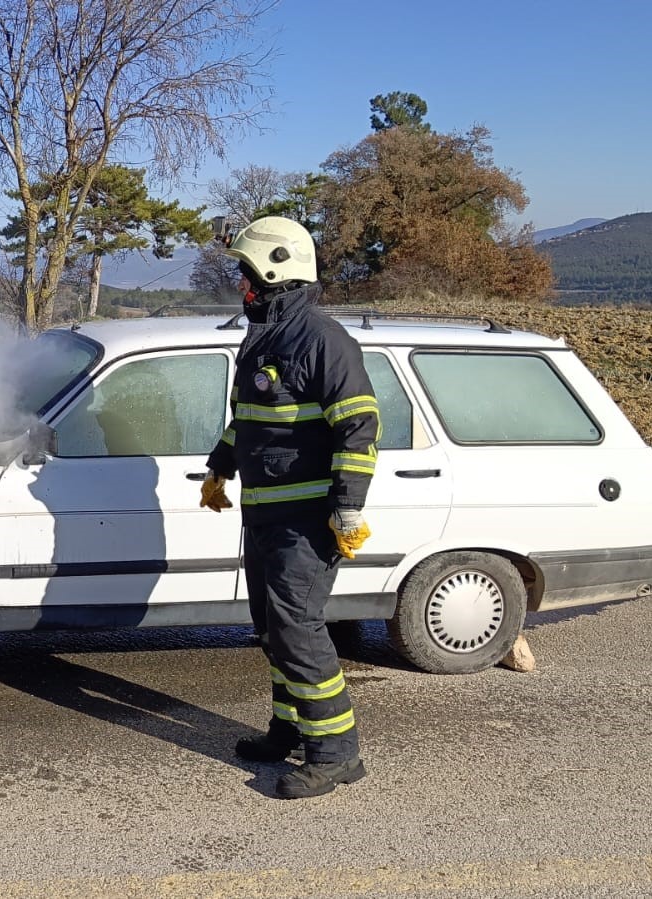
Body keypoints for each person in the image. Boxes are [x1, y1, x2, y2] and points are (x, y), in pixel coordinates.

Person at [199, 215, 379, 799]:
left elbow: (359, 428)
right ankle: (289, 729)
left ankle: (335, 753)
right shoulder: (268, 339)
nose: (242, 287)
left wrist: (347, 509)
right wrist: (219, 466)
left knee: (298, 631)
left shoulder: (323, 341)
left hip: (307, 523)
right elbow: (253, 424)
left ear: (277, 272)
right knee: (273, 630)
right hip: (268, 518)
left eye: (247, 276)